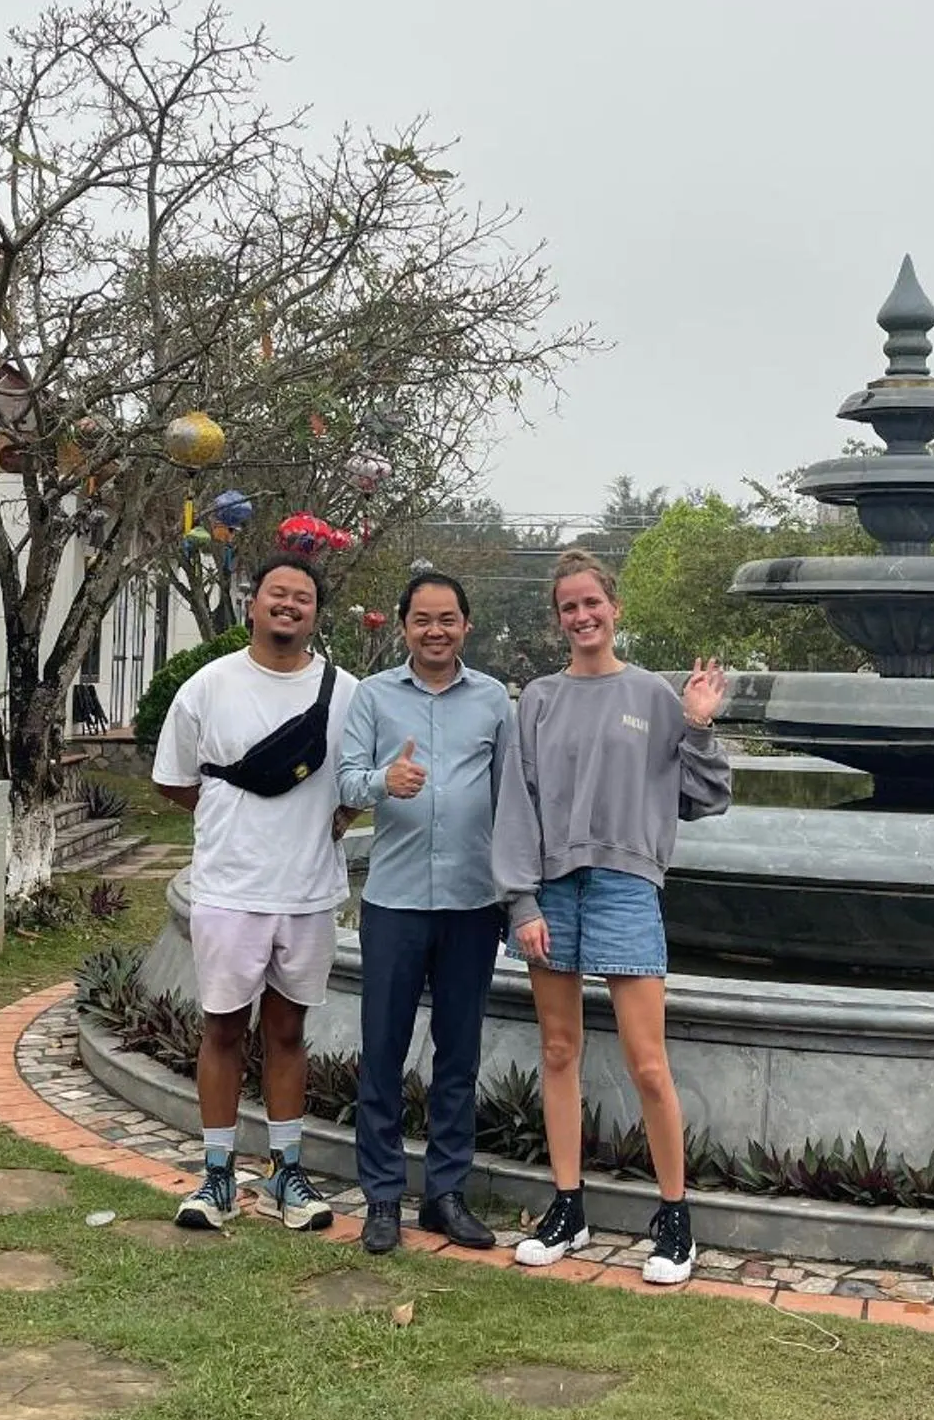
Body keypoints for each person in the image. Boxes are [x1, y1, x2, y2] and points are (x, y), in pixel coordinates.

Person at [492, 549, 730, 1287]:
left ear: (614, 608)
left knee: (648, 1063)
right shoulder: (538, 699)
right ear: (558, 617)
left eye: (592, 602)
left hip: (627, 887)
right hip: (552, 892)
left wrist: (698, 725)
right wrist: (521, 901)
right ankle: (568, 1206)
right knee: (559, 1050)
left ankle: (675, 1216)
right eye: (569, 606)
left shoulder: (654, 696)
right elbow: (516, 805)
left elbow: (706, 798)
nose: (582, 616)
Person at [153, 554, 359, 1232]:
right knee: (221, 1027)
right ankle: (215, 1175)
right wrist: (232, 822)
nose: (289, 604)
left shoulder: (346, 692)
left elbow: (362, 776)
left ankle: (286, 1171)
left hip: (307, 891)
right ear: (252, 603)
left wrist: (338, 816)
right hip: (229, 889)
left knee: (288, 1031)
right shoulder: (209, 686)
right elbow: (174, 778)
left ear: (316, 614)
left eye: (303, 597)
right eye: (278, 593)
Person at [338, 569, 513, 1256]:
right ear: (404, 626)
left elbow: (512, 797)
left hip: (473, 904)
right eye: (422, 620)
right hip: (395, 902)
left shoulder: (493, 699)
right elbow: (346, 780)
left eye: (447, 619)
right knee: (382, 1052)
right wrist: (385, 781)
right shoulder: (374, 696)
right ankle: (382, 1198)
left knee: (458, 1055)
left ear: (466, 625)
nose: (435, 631)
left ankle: (445, 1195)